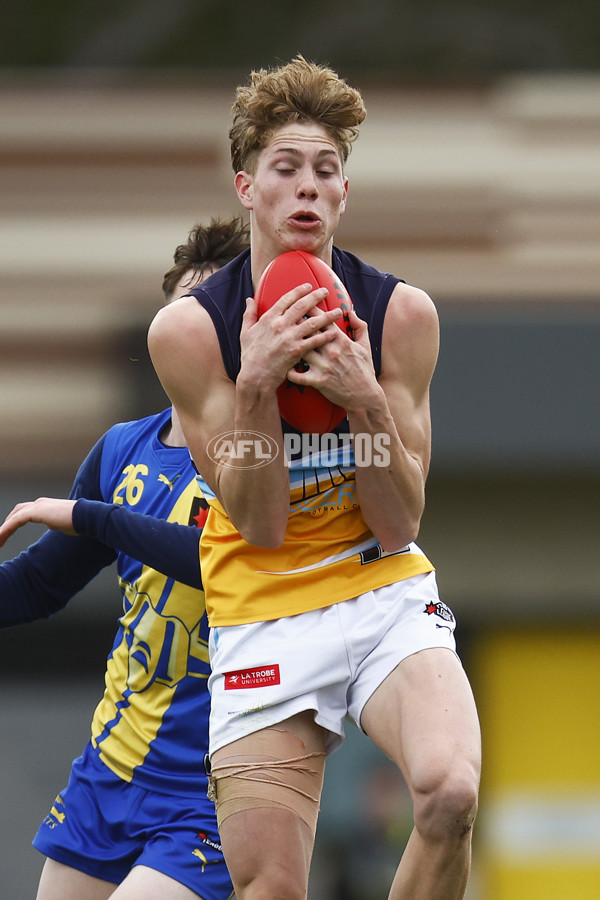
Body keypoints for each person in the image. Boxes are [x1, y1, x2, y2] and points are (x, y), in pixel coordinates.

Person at [146, 56, 482, 900]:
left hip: (378, 586)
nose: (306, 189)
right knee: (272, 890)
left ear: (343, 194)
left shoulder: (401, 315)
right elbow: (256, 520)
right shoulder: (191, 333)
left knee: (452, 793)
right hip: (263, 603)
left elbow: (400, 521)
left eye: (325, 172)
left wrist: (365, 402)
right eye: (286, 170)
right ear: (247, 187)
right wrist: (257, 384)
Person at [0, 217, 249, 900]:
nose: (195, 329)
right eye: (183, 309)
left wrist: (91, 516)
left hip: (212, 792)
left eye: (216, 311)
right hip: (109, 774)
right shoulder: (121, 449)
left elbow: (231, 563)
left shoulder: (262, 454)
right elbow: (37, 586)